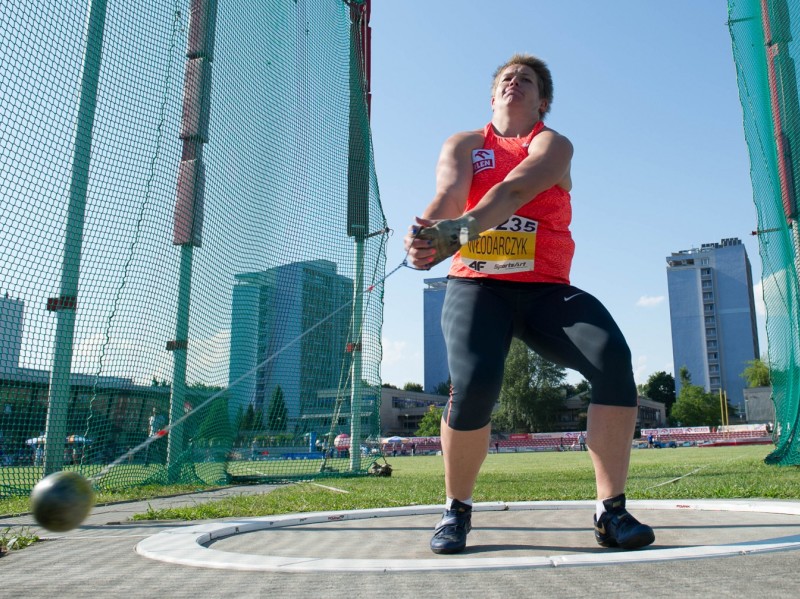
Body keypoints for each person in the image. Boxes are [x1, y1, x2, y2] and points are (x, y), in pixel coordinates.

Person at [404, 53, 655, 555]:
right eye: (505, 78)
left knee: (613, 360)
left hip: (545, 289)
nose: (514, 82)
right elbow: (450, 195)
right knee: (475, 384)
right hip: (477, 287)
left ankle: (612, 513)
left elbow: (514, 189)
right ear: (493, 95)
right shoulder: (465, 143)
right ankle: (456, 510)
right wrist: (428, 235)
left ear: (543, 101)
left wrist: (461, 231)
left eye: (528, 80)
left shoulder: (553, 144)